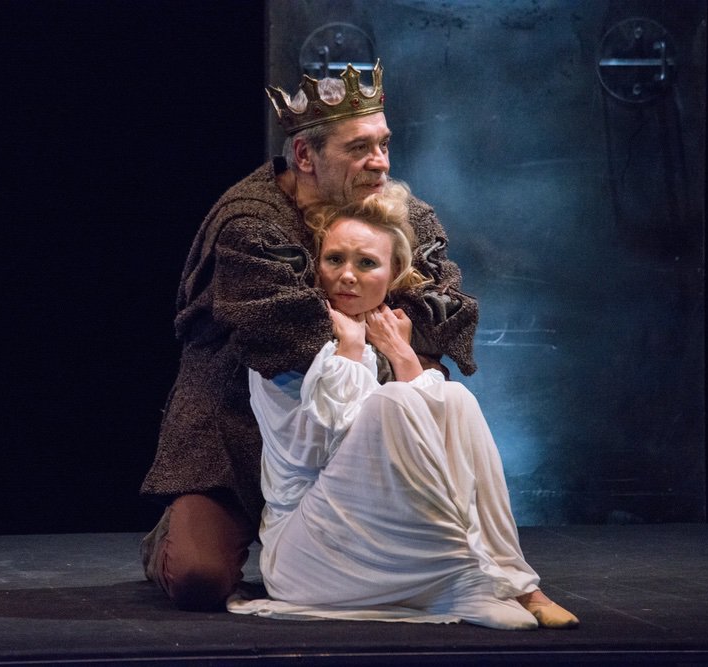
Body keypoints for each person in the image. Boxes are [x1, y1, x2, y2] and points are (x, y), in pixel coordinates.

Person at [139, 61, 478, 611]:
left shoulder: (404, 213)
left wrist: (381, 350)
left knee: (421, 552)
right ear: (304, 155)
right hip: (241, 425)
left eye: (384, 144)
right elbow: (286, 333)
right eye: (360, 148)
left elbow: (443, 309)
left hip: (357, 418)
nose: (380, 162)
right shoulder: (251, 222)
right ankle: (171, 538)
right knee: (199, 580)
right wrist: (389, 343)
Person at [229, 185, 579, 629]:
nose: (347, 276)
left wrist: (402, 355)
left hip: (374, 537)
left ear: (393, 274)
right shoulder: (287, 340)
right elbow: (314, 454)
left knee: (455, 398)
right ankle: (461, 582)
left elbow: (426, 434)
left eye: (366, 263)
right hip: (306, 549)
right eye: (334, 259)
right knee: (394, 399)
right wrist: (350, 351)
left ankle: (515, 580)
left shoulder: (387, 336)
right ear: (317, 265)